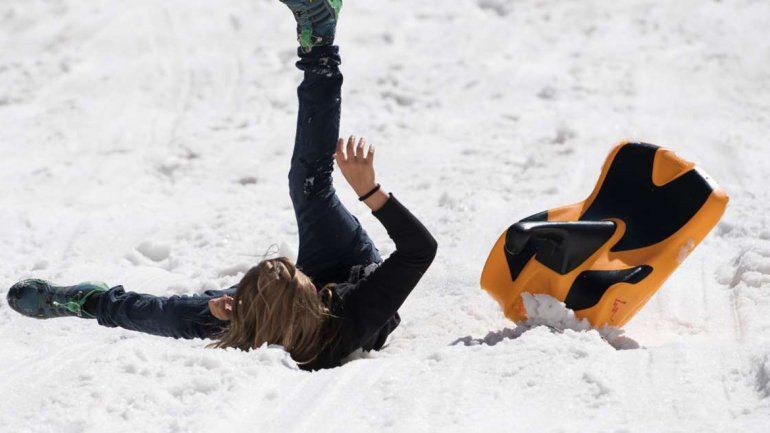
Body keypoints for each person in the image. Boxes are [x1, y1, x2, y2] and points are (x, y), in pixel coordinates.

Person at [6, 0, 437, 371]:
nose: (294, 264)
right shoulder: (360, 310)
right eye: (293, 274)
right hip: (349, 265)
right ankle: (321, 37)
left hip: (277, 313)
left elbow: (259, 308)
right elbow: (420, 250)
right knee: (309, 186)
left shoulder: (253, 322)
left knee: (177, 316)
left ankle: (88, 302)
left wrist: (234, 308)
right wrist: (369, 191)